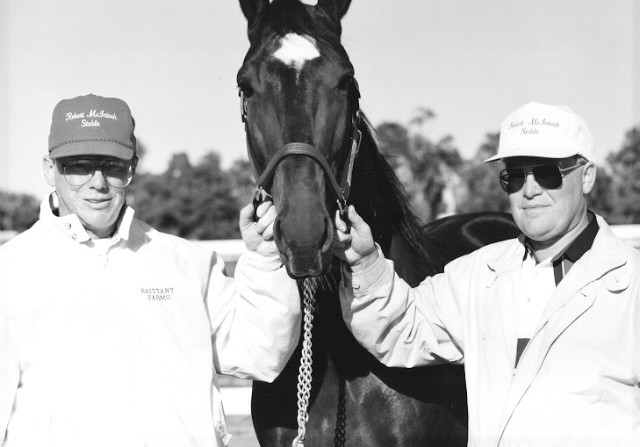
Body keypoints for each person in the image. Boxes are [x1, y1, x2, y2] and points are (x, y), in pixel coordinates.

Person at [0, 94, 301, 447]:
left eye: (113, 166)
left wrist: (265, 256)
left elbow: (261, 354)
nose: (98, 182)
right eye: (79, 166)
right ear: (50, 169)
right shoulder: (10, 272)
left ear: (133, 168)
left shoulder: (188, 263)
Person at [333, 101, 640, 446]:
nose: (529, 189)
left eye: (548, 173)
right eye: (514, 176)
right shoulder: (477, 275)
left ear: (587, 177)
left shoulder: (632, 284)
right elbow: (401, 327)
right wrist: (364, 262)